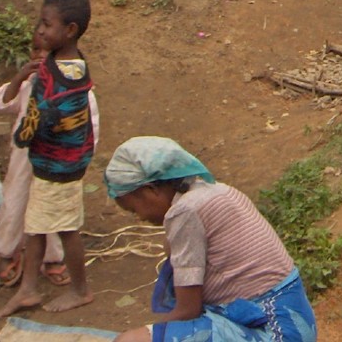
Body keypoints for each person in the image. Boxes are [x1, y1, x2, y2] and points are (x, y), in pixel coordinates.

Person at [104, 136, 317, 342]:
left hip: (273, 331)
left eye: (134, 209)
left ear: (150, 190)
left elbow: (188, 310)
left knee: (130, 340)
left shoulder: (185, 212)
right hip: (296, 324)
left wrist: (152, 330)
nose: (139, 217)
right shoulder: (218, 191)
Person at [0, 0, 95, 317]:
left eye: (46, 24)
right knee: (36, 225)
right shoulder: (56, 64)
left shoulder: (68, 75)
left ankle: (80, 290)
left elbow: (53, 118)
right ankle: (28, 289)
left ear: (69, 30)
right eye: (39, 23)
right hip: (49, 164)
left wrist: (30, 129)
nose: (39, 30)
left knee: (65, 228)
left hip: (60, 166)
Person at [0, 42, 102, 288]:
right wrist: (20, 76)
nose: (40, 56)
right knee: (15, 201)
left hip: (57, 162)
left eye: (46, 52)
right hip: (23, 159)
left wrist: (77, 159)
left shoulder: (78, 90)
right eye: (35, 50)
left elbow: (89, 128)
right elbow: (3, 102)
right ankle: (8, 251)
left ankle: (52, 259)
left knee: (52, 209)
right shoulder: (28, 86)